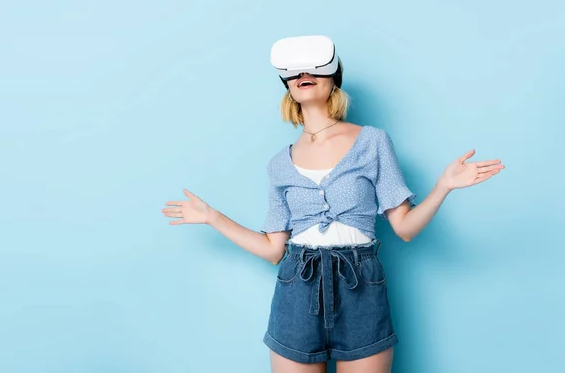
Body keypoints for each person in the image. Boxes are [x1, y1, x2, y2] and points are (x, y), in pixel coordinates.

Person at [162, 37, 504, 373]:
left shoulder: (372, 141)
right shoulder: (280, 164)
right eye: (293, 73)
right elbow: (272, 250)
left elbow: (405, 228)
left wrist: (443, 186)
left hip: (361, 284)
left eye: (313, 68)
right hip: (297, 285)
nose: (302, 75)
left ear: (333, 79)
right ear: (288, 87)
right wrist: (211, 217)